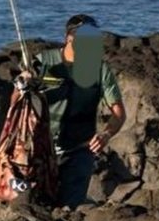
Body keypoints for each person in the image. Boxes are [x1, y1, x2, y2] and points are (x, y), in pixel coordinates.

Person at [26, 13, 126, 208]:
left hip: (79, 151)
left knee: (69, 210)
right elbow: (18, 100)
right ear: (68, 38)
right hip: (40, 150)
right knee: (36, 205)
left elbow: (119, 113)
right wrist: (24, 83)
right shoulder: (43, 62)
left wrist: (106, 134)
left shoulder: (100, 69)